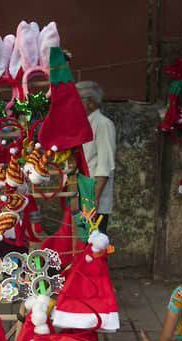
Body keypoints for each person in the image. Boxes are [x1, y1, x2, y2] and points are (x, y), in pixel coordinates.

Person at [76, 81, 116, 234]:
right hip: (81, 194)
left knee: (94, 247)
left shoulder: (103, 124)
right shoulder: (83, 124)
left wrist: (93, 199)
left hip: (93, 197)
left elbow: (104, 166)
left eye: (78, 100)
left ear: (91, 102)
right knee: (80, 245)